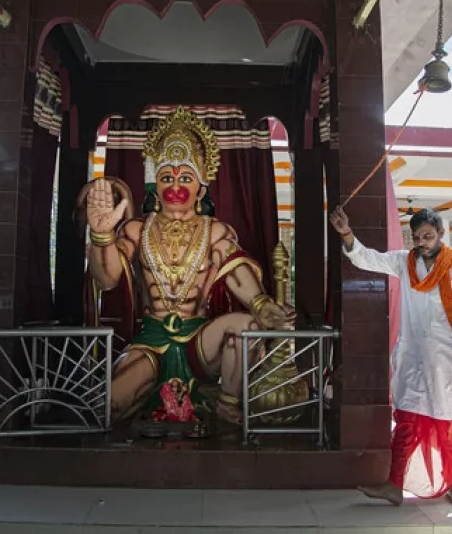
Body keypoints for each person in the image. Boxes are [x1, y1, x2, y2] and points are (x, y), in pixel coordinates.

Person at [86, 106, 295, 424]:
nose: (175, 185)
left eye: (186, 177)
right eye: (166, 177)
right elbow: (108, 279)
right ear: (155, 184)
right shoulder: (136, 230)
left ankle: (227, 406)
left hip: (199, 342)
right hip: (151, 341)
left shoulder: (215, 231)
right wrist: (101, 235)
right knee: (107, 405)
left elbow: (236, 268)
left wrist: (260, 303)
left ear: (201, 187)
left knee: (246, 327)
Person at [329, 206, 452, 510]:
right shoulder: (406, 262)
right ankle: (394, 485)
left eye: (428, 236)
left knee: (451, 423)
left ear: (441, 233)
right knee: (407, 420)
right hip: (413, 356)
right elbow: (369, 258)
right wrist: (346, 233)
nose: (422, 242)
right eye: (417, 237)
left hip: (449, 360)